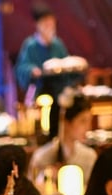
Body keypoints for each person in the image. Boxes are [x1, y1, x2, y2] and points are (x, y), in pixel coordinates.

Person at [14, 4, 84, 138]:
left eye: (51, 23)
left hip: (59, 87)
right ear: (38, 25)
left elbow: (65, 61)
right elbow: (22, 67)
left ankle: (70, 134)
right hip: (41, 89)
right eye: (45, 23)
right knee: (50, 102)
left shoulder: (57, 44)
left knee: (73, 99)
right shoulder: (31, 45)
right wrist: (32, 70)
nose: (49, 26)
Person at [27, 89, 97, 188]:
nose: (88, 128)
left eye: (89, 121)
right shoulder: (42, 156)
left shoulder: (89, 156)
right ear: (66, 122)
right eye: (83, 121)